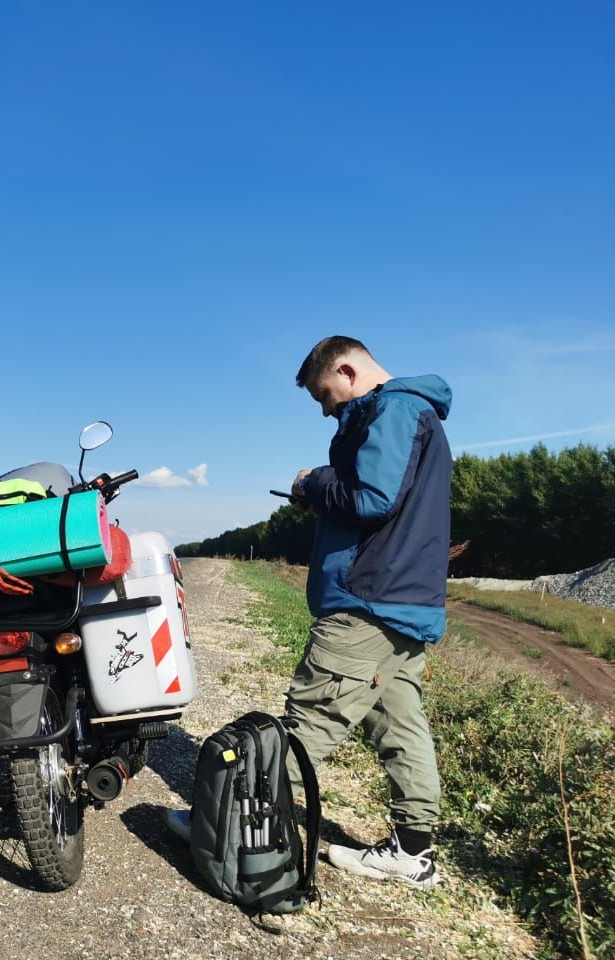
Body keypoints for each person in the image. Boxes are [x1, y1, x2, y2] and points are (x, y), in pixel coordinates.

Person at [166, 336, 452, 890]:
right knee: (400, 723)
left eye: (326, 395)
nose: (327, 410)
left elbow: (372, 498)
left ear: (347, 369)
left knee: (309, 723)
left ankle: (226, 827)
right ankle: (414, 852)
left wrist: (311, 482)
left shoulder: (392, 409)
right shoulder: (420, 414)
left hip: (369, 599)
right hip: (405, 601)